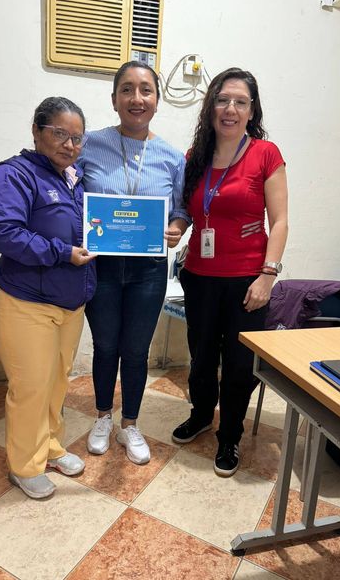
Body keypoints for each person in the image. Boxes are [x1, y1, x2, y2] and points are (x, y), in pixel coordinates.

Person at [172, 68, 288, 477]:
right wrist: (175, 228)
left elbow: (280, 221)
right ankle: (202, 414)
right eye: (222, 100)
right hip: (199, 275)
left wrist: (268, 275)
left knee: (239, 364)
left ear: (252, 110)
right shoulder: (195, 156)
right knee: (201, 355)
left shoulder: (265, 153)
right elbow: (189, 211)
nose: (230, 109)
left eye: (240, 101)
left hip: (247, 280)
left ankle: (230, 435)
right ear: (211, 106)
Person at [0, 97, 96, 499]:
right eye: (60, 134)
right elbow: (1, 231)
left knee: (56, 382)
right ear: (36, 130)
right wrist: (62, 252)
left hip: (70, 303)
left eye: (77, 138)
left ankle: (50, 447)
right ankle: (24, 466)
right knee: (30, 386)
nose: (70, 145)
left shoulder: (74, 180)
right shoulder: (13, 175)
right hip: (25, 302)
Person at [77, 61, 189, 465]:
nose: (136, 98)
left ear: (157, 101)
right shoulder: (89, 144)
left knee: (137, 351)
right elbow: (71, 194)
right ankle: (103, 417)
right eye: (127, 89)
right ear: (114, 100)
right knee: (106, 346)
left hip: (148, 271)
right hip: (101, 267)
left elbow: (182, 209)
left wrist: (176, 228)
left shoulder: (172, 156)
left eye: (145, 90)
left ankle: (130, 424)